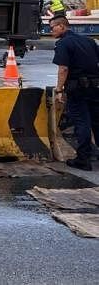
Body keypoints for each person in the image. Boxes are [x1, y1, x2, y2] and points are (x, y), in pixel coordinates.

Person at [50, 15, 99, 171]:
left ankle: (83, 159)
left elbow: (63, 69)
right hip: (95, 87)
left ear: (62, 26)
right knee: (97, 122)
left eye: (53, 27)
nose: (51, 31)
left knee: (82, 122)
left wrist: (59, 90)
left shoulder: (64, 44)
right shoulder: (89, 41)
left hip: (77, 89)